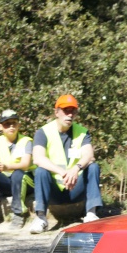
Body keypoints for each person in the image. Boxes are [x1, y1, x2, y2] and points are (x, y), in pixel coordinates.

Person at [29, 94, 103, 234]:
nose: (69, 114)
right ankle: (40, 218)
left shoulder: (82, 132)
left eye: (73, 111)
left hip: (75, 186)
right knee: (40, 171)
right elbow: (38, 158)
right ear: (56, 112)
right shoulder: (43, 132)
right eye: (65, 110)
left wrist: (76, 169)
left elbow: (89, 155)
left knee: (93, 167)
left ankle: (91, 214)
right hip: (54, 190)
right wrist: (62, 172)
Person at [0, 109, 35, 230]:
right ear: (0, 127)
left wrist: (7, 167)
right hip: (6, 181)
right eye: (7, 124)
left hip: (25, 181)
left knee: (18, 173)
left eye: (14, 123)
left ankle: (18, 213)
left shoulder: (26, 141)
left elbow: (25, 164)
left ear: (18, 125)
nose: (11, 126)